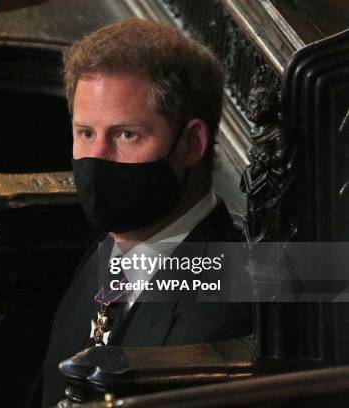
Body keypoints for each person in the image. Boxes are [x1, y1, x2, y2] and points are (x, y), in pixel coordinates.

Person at [42, 18, 252, 406]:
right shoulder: (111, 245)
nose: (96, 160)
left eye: (126, 135)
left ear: (191, 143)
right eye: (86, 133)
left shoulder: (229, 299)